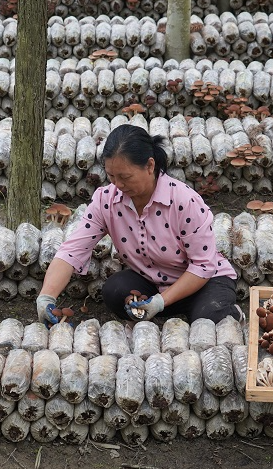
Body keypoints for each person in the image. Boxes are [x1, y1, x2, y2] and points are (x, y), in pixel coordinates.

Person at [36, 124, 240, 326]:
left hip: (202, 281)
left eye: (125, 177)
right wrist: (46, 297)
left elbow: (203, 265)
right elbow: (72, 250)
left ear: (150, 166)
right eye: (111, 176)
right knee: (115, 291)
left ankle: (220, 311)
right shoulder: (106, 200)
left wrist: (160, 302)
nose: (118, 184)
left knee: (209, 316)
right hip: (154, 282)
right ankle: (169, 308)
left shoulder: (184, 202)